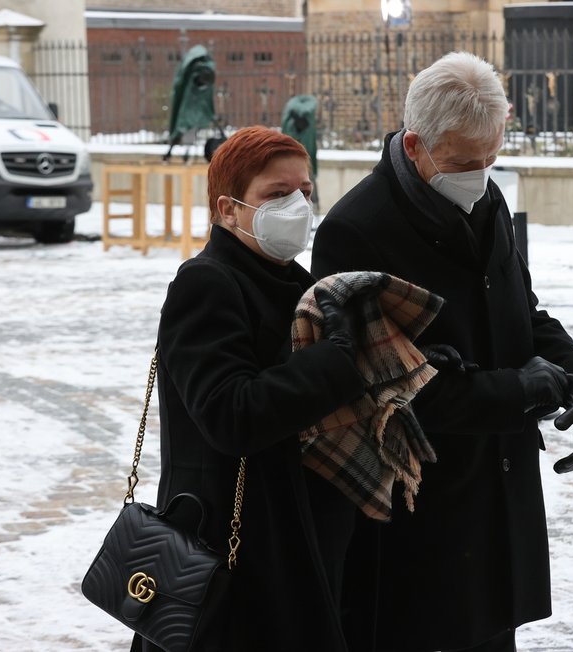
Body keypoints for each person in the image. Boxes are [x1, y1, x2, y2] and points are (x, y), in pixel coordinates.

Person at [312, 51, 573, 652]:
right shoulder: (356, 230)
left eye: (491, 159)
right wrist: (522, 390)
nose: (480, 174)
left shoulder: (487, 201)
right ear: (416, 144)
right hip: (421, 522)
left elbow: (523, 313)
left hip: (499, 500)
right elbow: (390, 391)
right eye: (463, 162)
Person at [134, 126, 368, 651]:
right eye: (276, 194)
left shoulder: (299, 283)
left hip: (293, 540)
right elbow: (229, 415)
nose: (297, 206)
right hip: (231, 554)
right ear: (228, 209)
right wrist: (335, 362)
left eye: (305, 192)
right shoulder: (206, 282)